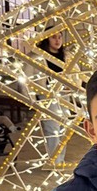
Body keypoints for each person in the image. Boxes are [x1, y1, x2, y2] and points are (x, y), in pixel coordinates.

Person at [36, 29, 68, 163]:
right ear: (46, 39)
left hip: (65, 95)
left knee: (63, 129)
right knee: (52, 128)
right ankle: (55, 161)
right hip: (47, 95)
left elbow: (75, 73)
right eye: (53, 37)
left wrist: (71, 84)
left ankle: (60, 159)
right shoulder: (39, 56)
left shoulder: (66, 56)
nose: (57, 40)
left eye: (59, 37)